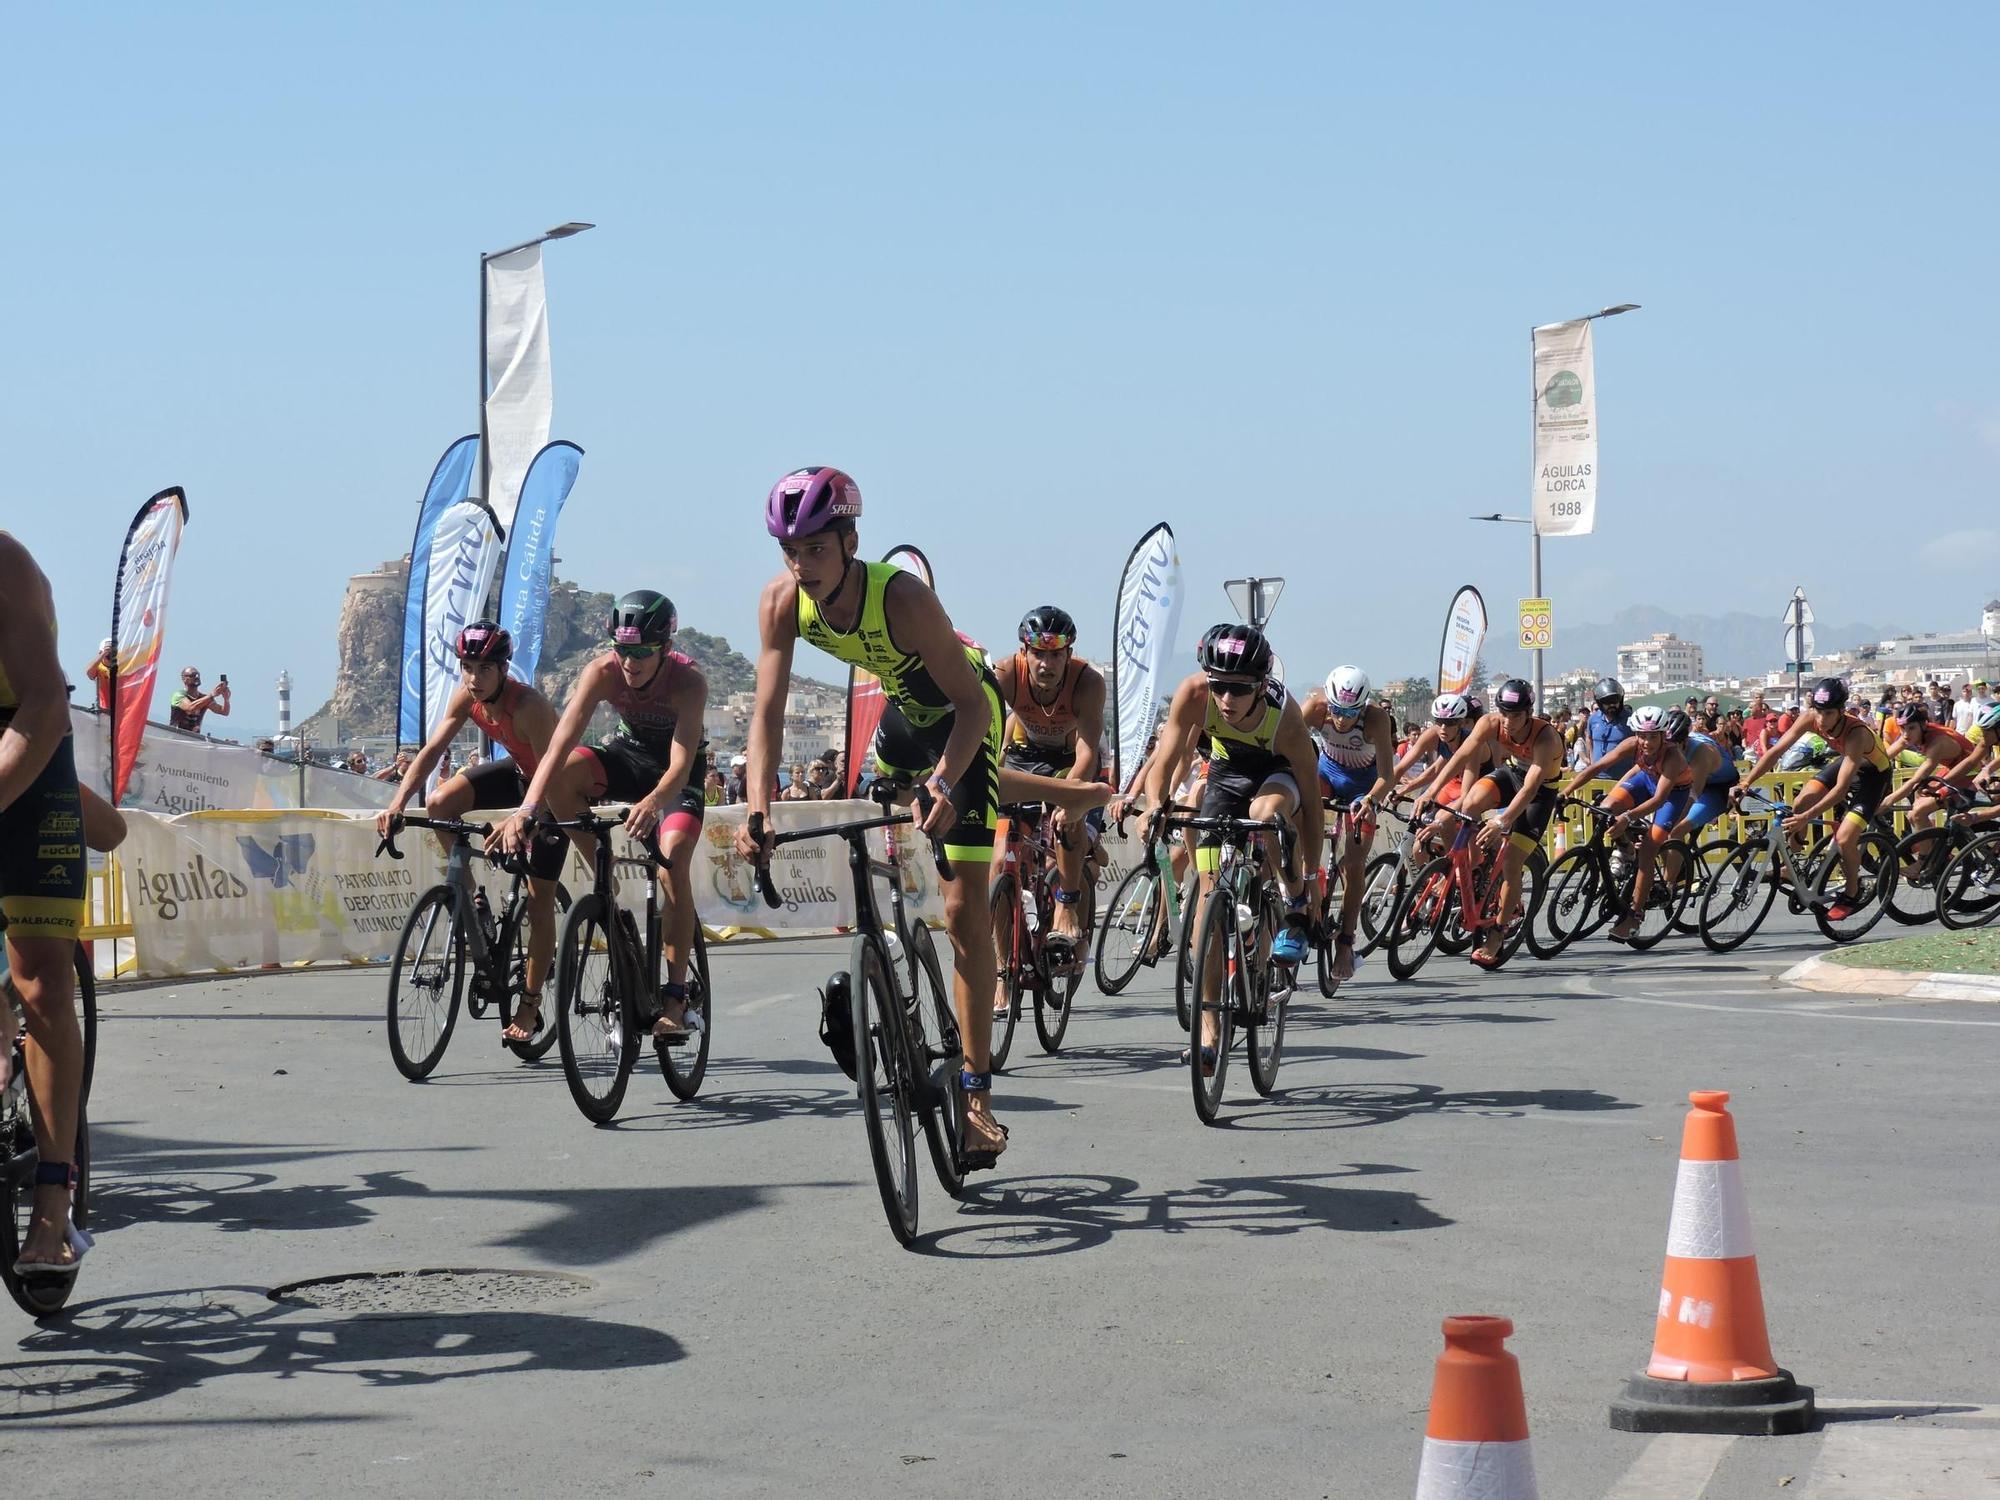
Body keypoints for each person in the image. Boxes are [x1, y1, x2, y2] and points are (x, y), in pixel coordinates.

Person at [738, 467, 1011, 1167]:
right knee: (868, 842)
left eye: (816, 551)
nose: (802, 567)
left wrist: (946, 781)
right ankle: (886, 985)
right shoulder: (781, 603)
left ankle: (976, 1101)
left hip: (963, 721)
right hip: (902, 722)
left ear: (851, 540)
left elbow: (974, 707)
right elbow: (766, 715)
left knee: (962, 910)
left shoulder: (903, 599)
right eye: (790, 552)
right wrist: (759, 809)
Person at [495, 592, 710, 1042]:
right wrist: (527, 809)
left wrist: (653, 802)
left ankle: (675, 995)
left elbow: (680, 762)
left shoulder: (688, 681)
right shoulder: (602, 671)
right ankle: (603, 874)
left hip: (675, 775)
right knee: (562, 773)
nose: (628, 662)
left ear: (664, 648)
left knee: (672, 862)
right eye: (622, 649)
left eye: (640, 653)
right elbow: (554, 748)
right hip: (628, 755)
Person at [380, 622, 570, 1042]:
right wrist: (397, 803)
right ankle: (473, 897)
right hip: (519, 773)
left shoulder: (529, 706)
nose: (474, 677)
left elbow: (553, 773)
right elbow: (432, 751)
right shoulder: (466, 697)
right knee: (438, 804)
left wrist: (527, 816)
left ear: (504, 669)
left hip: (555, 791)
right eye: (467, 666)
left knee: (540, 904)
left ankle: (531, 1004)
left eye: (484, 669)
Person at [1143, 624, 1323, 1069]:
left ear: (1261, 685)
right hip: (1227, 770)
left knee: (1264, 818)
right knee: (1207, 910)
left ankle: (1290, 895)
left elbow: (1313, 805)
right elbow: (1164, 763)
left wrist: (1313, 879)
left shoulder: (1286, 719)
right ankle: (1208, 1031)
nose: (1225, 698)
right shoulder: (1193, 694)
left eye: (1238, 689)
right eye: (1218, 685)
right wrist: (1153, 805)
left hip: (1277, 772)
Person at [0, 532, 89, 1276]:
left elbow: (44, 703)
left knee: (41, 979)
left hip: (28, 745)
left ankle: (55, 1203)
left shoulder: (7, 567)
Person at [991, 605, 1108, 972]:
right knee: (999, 862)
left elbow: (1088, 752)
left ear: (1068, 655)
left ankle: (1066, 905)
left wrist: (1070, 796)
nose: (1046, 663)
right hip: (1024, 757)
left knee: (1065, 828)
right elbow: (986, 732)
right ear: (1024, 652)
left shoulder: (1088, 682)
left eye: (1055, 654)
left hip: (1071, 761)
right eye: (1038, 654)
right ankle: (1001, 969)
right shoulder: (1006, 673)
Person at [1417, 679, 1561, 968]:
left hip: (1539, 792)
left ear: (1529, 712)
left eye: (1516, 715)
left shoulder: (1546, 738)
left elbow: (1530, 789)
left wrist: (1502, 821)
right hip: (1510, 775)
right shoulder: (1490, 723)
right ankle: (1475, 864)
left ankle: (1498, 931)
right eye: (1504, 713)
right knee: (1469, 804)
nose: (1508, 721)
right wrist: (1431, 792)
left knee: (1511, 865)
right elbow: (1459, 757)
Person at [1735, 677, 1891, 920]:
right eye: (1818, 712)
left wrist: (1805, 819)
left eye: (1828, 713)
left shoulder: (1856, 734)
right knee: (1799, 804)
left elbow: (1839, 790)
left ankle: (1853, 892)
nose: (1821, 719)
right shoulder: (1810, 718)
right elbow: (1776, 751)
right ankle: (1795, 867)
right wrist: (1746, 782)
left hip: (1873, 776)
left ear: (1841, 711)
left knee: (1845, 838)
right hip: (1847, 762)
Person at [1299, 665, 1394, 984]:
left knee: (1354, 867)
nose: (1341, 719)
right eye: (1336, 710)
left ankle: (1345, 942)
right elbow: (1288, 745)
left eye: (1350, 712)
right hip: (1325, 775)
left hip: (1361, 788)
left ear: (1364, 706)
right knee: (1296, 817)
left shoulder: (1377, 719)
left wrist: (1371, 802)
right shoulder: (1315, 707)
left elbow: (1387, 776)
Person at [1879, 700, 1977, 837]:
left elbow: (1915, 780)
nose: (1906, 734)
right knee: (1917, 804)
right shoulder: (1914, 733)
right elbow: (1883, 758)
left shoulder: (1937, 742)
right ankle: (1936, 846)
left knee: (1918, 812)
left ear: (1924, 725)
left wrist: (1887, 802)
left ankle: (1927, 857)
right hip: (1953, 768)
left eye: (1911, 728)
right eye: (1902, 728)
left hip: (1969, 773)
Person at [167, 666, 229, 733]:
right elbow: (190, 708)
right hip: (176, 736)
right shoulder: (179, 695)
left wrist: (226, 699)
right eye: (193, 675)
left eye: (198, 675)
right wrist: (212, 695)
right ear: (184, 679)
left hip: (193, 738)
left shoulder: (205, 698)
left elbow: (224, 712)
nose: (196, 677)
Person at [1585, 677, 1631, 762]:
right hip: (1597, 773)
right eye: (1607, 701)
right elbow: (1589, 738)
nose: (1611, 705)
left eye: (1615, 700)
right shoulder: (1593, 719)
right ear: (1599, 702)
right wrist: (1592, 760)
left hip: (1624, 774)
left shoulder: (1631, 719)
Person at [83, 639, 115, 712]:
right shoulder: (98, 667)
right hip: (104, 709)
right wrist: (104, 653)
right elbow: (89, 672)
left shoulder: (121, 667)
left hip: (120, 710)